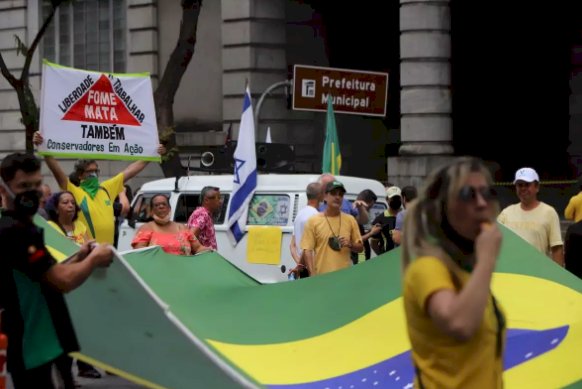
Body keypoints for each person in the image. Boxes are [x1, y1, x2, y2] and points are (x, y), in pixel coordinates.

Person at [0, 152, 114, 388]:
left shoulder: (25, 226)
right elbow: (60, 280)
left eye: (36, 184)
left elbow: (45, 273)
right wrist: (94, 260)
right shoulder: (15, 232)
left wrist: (80, 256)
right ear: (4, 190)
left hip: (48, 341)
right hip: (32, 346)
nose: (32, 192)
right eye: (23, 186)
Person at [401, 156, 505, 388]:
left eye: (487, 193)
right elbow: (460, 324)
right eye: (469, 195)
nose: (481, 203)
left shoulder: (466, 271)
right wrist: (487, 259)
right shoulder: (427, 267)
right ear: (443, 208)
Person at [33, 131, 165, 245]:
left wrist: (152, 155)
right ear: (80, 175)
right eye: (90, 172)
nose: (94, 175)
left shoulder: (105, 188)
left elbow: (130, 171)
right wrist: (44, 149)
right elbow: (58, 173)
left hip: (108, 251)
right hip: (86, 251)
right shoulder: (75, 193)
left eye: (96, 171)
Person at [45, 191, 103, 379]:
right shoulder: (50, 227)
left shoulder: (80, 226)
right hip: (62, 280)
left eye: (72, 202)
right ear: (55, 207)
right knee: (64, 328)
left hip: (82, 278)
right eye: (65, 202)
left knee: (83, 326)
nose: (70, 205)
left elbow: (90, 246)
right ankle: (64, 373)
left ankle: (84, 365)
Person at [497, 167, 564, 265]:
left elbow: (557, 248)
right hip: (511, 273)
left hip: (537, 275)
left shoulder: (549, 212)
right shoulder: (506, 213)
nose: (523, 188)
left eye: (527, 185)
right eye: (520, 185)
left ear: (537, 187)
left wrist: (558, 277)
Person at [301, 180, 363, 275]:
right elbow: (307, 250)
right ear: (325, 196)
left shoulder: (350, 220)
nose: (337, 197)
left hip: (344, 277)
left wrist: (350, 244)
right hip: (322, 278)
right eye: (333, 193)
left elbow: (360, 248)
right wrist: (312, 273)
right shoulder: (313, 221)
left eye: (341, 194)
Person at [131, 194, 210, 255]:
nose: (161, 206)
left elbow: (198, 248)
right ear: (151, 211)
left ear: (169, 208)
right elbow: (139, 252)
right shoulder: (146, 228)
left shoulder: (182, 228)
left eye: (164, 204)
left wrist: (209, 250)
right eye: (156, 205)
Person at [289, 182, 323, 278]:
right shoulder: (315, 216)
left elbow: (292, 246)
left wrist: (300, 264)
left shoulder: (299, 215)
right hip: (314, 269)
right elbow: (307, 247)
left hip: (303, 268)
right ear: (320, 195)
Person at [186, 186, 221, 250]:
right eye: (218, 198)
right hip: (202, 258)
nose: (220, 201)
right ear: (206, 200)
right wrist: (202, 249)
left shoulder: (206, 214)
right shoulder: (202, 214)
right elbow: (190, 236)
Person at [370, 186, 402, 255]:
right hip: (387, 259)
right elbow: (373, 243)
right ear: (387, 199)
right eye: (393, 198)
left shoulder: (407, 216)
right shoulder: (379, 219)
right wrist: (382, 256)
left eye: (397, 198)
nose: (396, 201)